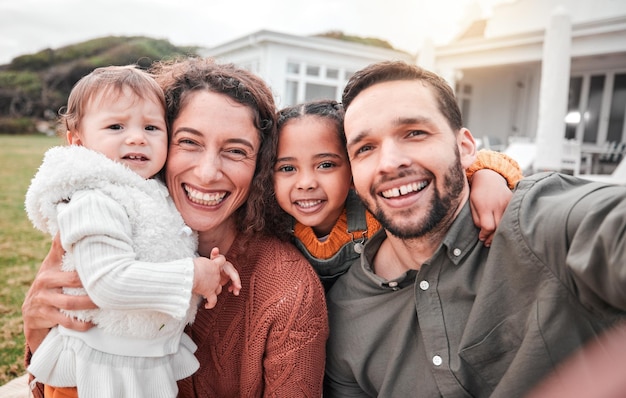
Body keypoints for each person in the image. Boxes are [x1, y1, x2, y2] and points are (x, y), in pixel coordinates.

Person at [22, 58, 329, 398]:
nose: (208, 172)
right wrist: (36, 332)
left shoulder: (289, 292)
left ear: (260, 166)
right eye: (189, 142)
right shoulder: (109, 228)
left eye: (236, 150)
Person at [323, 60, 626, 397]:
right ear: (351, 176)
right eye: (365, 148)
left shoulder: (537, 224)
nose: (390, 163)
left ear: (466, 148)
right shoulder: (345, 313)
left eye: (414, 133)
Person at [24, 65, 241, 398]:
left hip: (136, 366)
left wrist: (212, 270)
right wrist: (192, 276)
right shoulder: (94, 198)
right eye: (116, 126)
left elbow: (161, 250)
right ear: (78, 142)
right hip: (91, 373)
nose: (138, 137)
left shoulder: (151, 195)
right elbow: (107, 282)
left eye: (152, 127)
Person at [274, 100, 522, 291]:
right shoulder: (271, 219)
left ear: (353, 168)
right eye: (287, 168)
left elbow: (471, 160)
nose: (305, 183)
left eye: (326, 165)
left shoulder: (377, 206)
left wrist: (489, 177)